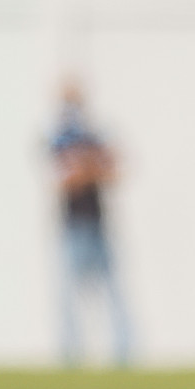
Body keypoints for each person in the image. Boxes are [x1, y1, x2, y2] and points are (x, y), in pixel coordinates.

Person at [50, 79, 132, 367]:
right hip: (73, 225)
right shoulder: (60, 137)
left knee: (114, 291)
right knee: (68, 295)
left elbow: (113, 169)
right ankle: (70, 355)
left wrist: (89, 167)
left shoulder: (93, 135)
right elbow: (66, 178)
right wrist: (87, 168)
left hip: (98, 223)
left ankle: (125, 352)